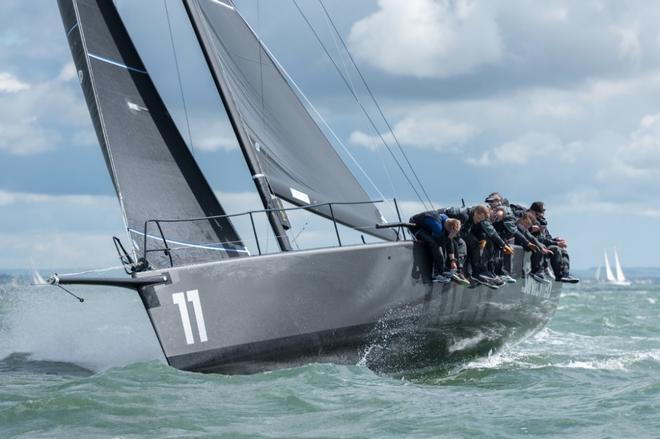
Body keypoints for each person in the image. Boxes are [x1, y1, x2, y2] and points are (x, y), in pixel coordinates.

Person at [442, 204, 513, 288]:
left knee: (478, 243)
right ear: (476, 213)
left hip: (458, 232)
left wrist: (483, 239)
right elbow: (452, 227)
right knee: (464, 244)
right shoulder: (464, 215)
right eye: (479, 218)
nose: (479, 221)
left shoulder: (476, 217)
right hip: (445, 229)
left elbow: (482, 231)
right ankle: (459, 271)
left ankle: (481, 272)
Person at [529, 202, 579, 283]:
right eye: (542, 211)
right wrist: (556, 243)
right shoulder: (530, 220)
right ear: (535, 212)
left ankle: (564, 274)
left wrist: (555, 240)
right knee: (555, 248)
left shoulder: (542, 222)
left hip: (545, 244)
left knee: (563, 251)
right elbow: (538, 239)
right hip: (536, 245)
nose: (543, 213)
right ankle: (546, 272)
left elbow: (547, 237)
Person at [410, 210, 462, 283]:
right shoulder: (438, 227)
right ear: (450, 228)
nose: (455, 234)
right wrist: (450, 236)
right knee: (434, 244)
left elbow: (449, 242)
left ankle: (443, 270)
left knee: (449, 240)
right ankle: (437, 274)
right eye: (454, 233)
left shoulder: (446, 219)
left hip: (427, 226)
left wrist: (452, 260)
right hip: (415, 226)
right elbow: (441, 243)